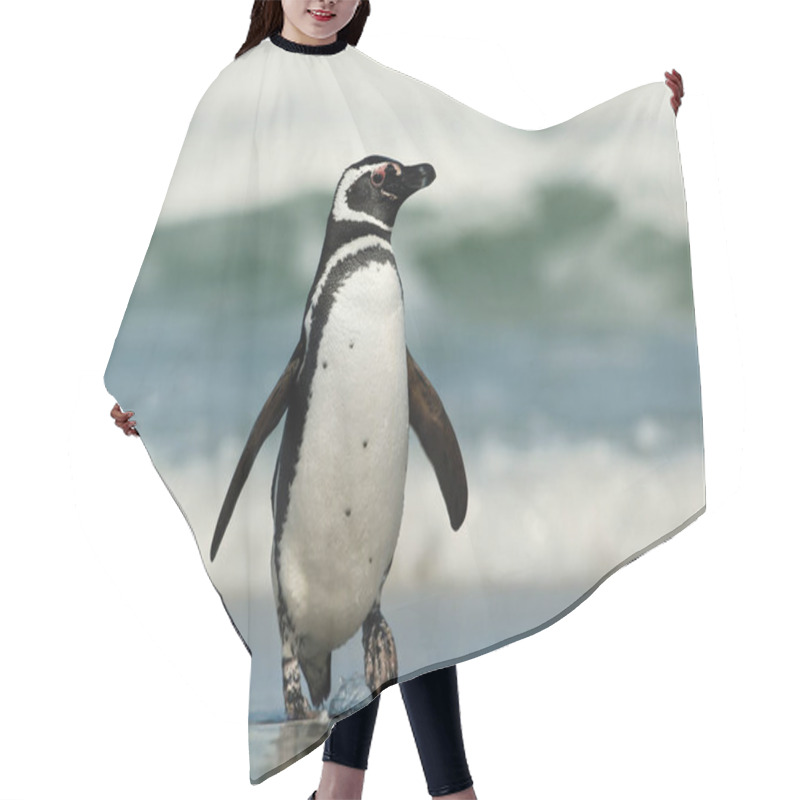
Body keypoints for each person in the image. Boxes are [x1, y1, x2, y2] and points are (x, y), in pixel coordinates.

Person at [110, 2, 685, 798]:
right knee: (358, 585)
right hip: (301, 390)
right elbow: (189, 245)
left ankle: (347, 789)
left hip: (358, 413)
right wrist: (151, 377)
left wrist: (630, 132)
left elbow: (490, 159)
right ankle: (426, 790)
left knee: (397, 591)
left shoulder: (372, 86)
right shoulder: (237, 92)